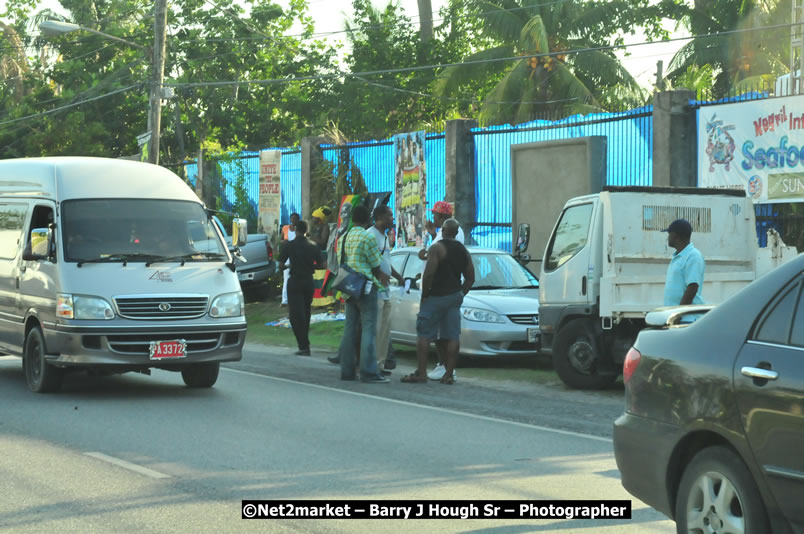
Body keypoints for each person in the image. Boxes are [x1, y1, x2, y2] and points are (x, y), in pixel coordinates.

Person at [402, 219, 474, 385]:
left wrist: (425, 294)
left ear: (443, 230)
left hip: (435, 296)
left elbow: (428, 274)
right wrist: (461, 293)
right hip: (453, 296)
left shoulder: (437, 248)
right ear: (456, 233)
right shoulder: (463, 251)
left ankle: (421, 372)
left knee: (424, 334)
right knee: (452, 335)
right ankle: (448, 374)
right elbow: (471, 277)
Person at [336, 205, 391, 383]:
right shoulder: (368, 237)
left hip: (348, 287)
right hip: (366, 286)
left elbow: (340, 261)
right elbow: (376, 264)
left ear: (352, 218)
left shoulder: (344, 237)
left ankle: (347, 371)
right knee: (368, 329)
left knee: (349, 329)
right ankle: (368, 371)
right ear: (367, 219)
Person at [417, 200, 466, 381]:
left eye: (435, 215)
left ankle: (439, 368)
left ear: (444, 218)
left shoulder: (453, 234)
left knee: (429, 332)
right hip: (450, 291)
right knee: (445, 333)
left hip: (439, 291)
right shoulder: (441, 234)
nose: (433, 218)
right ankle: (444, 367)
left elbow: (442, 256)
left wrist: (425, 293)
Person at [369, 205, 404, 372]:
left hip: (386, 290)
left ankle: (380, 363)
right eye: (390, 215)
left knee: (384, 331)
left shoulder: (384, 237)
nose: (393, 218)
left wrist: (398, 277)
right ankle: (371, 364)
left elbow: (386, 261)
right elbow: (366, 260)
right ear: (380, 217)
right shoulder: (371, 235)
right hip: (374, 290)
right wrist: (379, 273)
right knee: (375, 330)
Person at [278, 220, 320, 356]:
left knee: (295, 316)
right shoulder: (313, 246)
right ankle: (305, 343)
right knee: (306, 313)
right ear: (307, 230)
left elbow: (280, 264)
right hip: (308, 281)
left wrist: (289, 266)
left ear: (295, 230)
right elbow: (323, 264)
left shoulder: (289, 246)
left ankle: (303, 345)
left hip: (295, 281)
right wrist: (310, 267)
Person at [663, 218, 705, 306]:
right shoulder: (677, 256)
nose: (667, 238)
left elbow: (692, 287)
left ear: (675, 236)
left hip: (687, 318)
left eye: (669, 234)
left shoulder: (693, 256)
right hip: (676, 315)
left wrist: (679, 314)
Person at [281, 213, 300, 306]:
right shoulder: (285, 228)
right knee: (286, 278)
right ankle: (285, 300)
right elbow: (280, 239)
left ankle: (297, 299)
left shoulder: (300, 229)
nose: (293, 220)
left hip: (298, 255)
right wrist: (284, 242)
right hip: (288, 255)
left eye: (295, 219)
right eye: (292, 218)